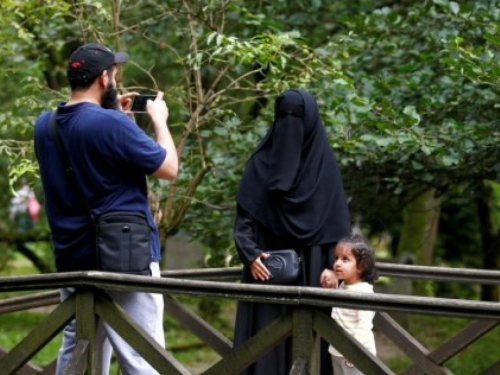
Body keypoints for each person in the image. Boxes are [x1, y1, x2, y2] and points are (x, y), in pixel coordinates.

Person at [34, 43, 178, 374]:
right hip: (126, 259)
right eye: (113, 74)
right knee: (142, 356)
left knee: (77, 355)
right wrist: (159, 121)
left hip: (74, 260)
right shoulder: (110, 125)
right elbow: (168, 168)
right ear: (103, 79)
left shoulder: (45, 125)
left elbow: (89, 162)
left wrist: (117, 117)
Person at [233, 88, 351, 375]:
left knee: (309, 348)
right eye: (284, 117)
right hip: (270, 271)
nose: (290, 126)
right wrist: (250, 255)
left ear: (309, 121)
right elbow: (243, 221)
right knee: (265, 348)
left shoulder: (325, 170)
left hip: (316, 272)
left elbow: (340, 230)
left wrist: (336, 270)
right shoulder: (261, 164)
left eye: (296, 118)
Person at [321, 234, 378, 375]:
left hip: (356, 353)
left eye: (345, 259)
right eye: (336, 258)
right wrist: (330, 289)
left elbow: (364, 325)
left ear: (361, 266)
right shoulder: (343, 286)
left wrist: (354, 352)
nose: (337, 263)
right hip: (337, 350)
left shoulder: (363, 292)